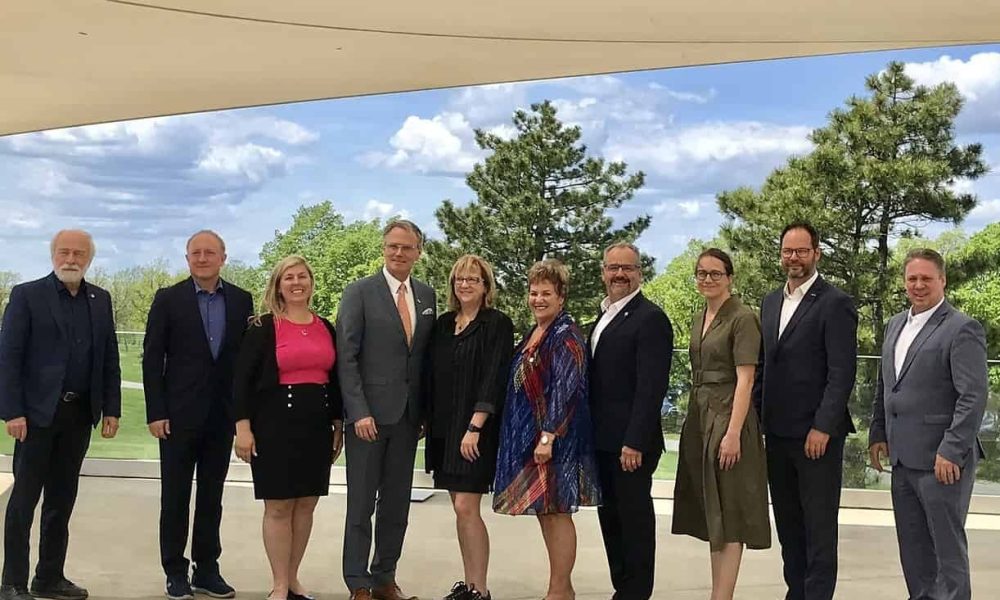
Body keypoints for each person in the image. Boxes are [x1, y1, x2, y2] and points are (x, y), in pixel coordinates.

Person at [0, 229, 121, 600]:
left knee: (61, 500)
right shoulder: (27, 296)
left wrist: (111, 408)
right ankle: (12, 582)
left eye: (79, 253)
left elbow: (110, 358)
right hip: (35, 417)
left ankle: (49, 577)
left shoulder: (100, 300)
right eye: (64, 252)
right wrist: (13, 412)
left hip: (79, 415)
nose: (71, 259)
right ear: (53, 255)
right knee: (23, 501)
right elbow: (8, 358)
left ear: (89, 258)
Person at [869, 248, 987, 600]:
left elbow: (973, 396)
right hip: (903, 461)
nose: (918, 285)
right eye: (912, 279)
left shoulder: (962, 328)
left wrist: (951, 449)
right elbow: (885, 385)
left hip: (942, 463)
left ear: (942, 280)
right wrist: (878, 432)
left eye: (926, 278)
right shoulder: (894, 325)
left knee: (946, 555)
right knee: (915, 554)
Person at [142, 230, 254, 600]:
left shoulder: (241, 300)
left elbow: (243, 364)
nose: (202, 258)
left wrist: (243, 417)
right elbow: (152, 358)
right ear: (187, 258)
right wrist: (156, 411)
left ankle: (207, 569)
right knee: (174, 497)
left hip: (221, 418)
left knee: (212, 496)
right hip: (176, 417)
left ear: (223, 257)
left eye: (210, 252)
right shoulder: (168, 299)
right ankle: (175, 570)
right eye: (195, 253)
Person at [752, 222, 857, 600]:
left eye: (801, 251)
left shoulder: (835, 303)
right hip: (777, 435)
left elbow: (842, 372)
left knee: (819, 531)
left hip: (817, 439)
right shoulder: (769, 302)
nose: (793, 258)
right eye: (787, 251)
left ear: (816, 253)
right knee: (790, 527)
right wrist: (757, 424)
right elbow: (764, 366)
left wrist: (823, 426)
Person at [232, 255, 343, 600]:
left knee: (306, 504)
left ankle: (294, 579)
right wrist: (242, 428)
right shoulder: (263, 326)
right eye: (288, 278)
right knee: (278, 506)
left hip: (316, 426)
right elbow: (241, 382)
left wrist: (338, 423)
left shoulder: (326, 325)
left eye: (302, 277)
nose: (297, 283)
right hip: (273, 426)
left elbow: (335, 379)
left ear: (311, 282)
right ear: (278, 286)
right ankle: (279, 584)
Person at [337, 220, 437, 600]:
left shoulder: (426, 296)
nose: (399, 253)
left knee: (397, 505)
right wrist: (358, 411)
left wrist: (425, 410)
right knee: (360, 505)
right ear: (384, 248)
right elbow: (346, 356)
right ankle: (357, 582)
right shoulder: (359, 293)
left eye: (407, 247)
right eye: (393, 246)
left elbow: (424, 359)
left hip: (409, 419)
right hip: (368, 419)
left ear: (418, 252)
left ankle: (384, 578)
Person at [493, 259, 602, 600]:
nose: (538, 299)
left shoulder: (566, 334)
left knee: (557, 513)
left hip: (555, 441)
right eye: (534, 292)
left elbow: (567, 390)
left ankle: (559, 591)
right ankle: (561, 588)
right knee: (546, 514)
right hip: (534, 438)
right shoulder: (536, 332)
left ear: (561, 297)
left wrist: (547, 436)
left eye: (546, 293)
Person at [672, 248, 770, 600]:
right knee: (712, 513)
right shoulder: (701, 315)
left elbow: (746, 380)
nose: (708, 279)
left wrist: (732, 434)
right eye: (701, 273)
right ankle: (719, 593)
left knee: (730, 512)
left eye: (715, 273)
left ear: (730, 277)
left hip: (730, 416)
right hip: (701, 415)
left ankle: (722, 596)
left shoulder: (743, 318)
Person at [587, 242, 673, 600]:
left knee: (634, 523)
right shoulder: (603, 316)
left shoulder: (650, 318)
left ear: (640, 273)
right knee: (611, 522)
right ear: (604, 272)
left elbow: (651, 388)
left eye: (628, 268)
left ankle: (636, 593)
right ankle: (622, 589)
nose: (619, 274)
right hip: (601, 442)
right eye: (613, 267)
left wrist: (634, 441)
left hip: (629, 446)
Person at [426, 255, 514, 600]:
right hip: (444, 431)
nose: (465, 284)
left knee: (467, 506)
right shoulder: (444, 325)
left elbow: (494, 377)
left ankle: (480, 589)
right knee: (459, 509)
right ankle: (468, 583)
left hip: (475, 431)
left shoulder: (497, 324)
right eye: (459, 279)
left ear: (486, 286)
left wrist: (475, 426)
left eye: (473, 279)